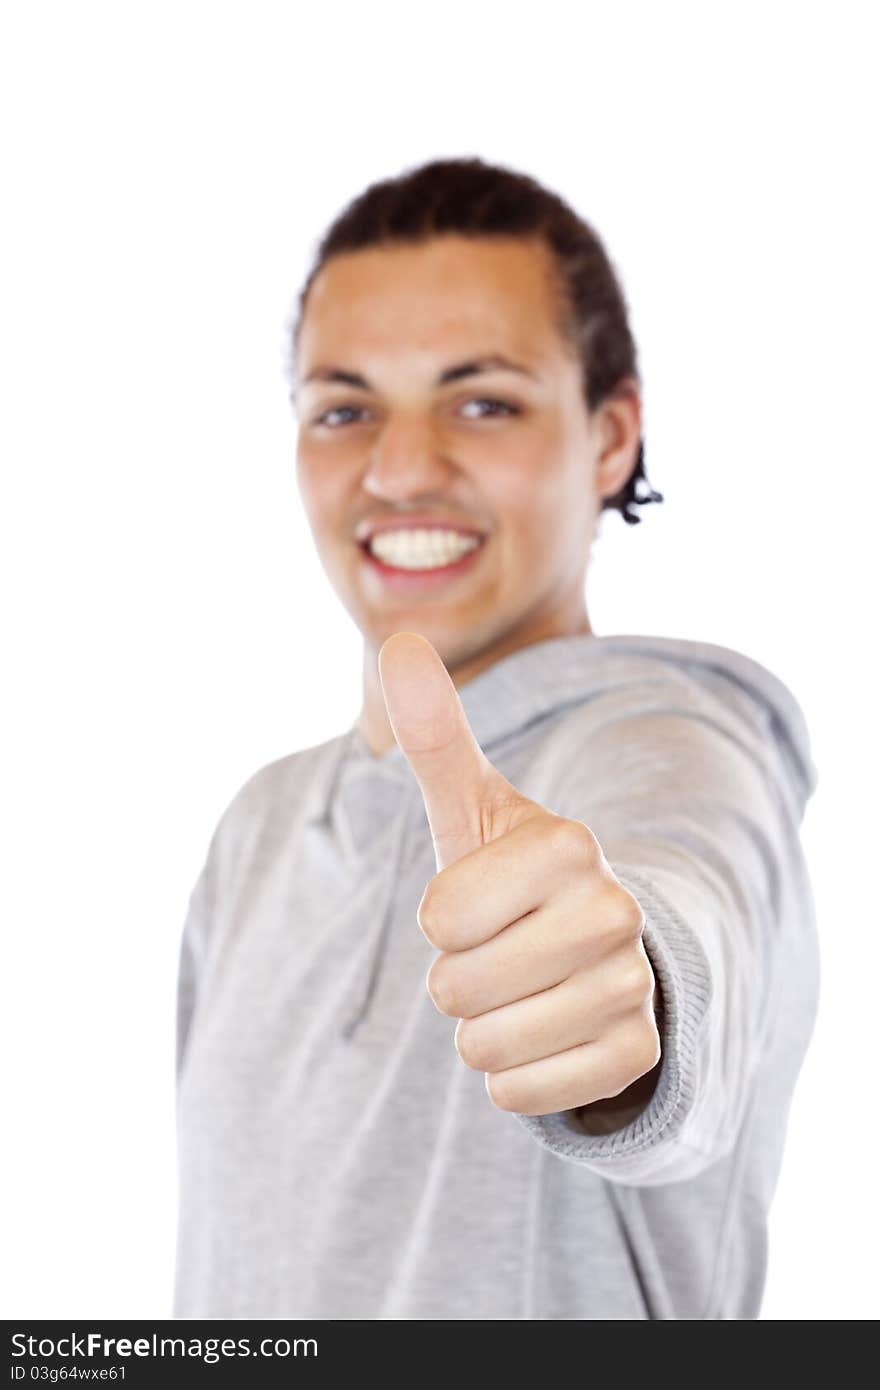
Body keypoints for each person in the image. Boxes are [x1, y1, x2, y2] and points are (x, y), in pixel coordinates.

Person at [172, 156, 820, 1320]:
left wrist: (637, 998)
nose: (402, 468)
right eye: (344, 408)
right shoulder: (257, 827)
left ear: (610, 436)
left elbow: (683, 894)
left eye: (484, 401)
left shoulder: (672, 742)